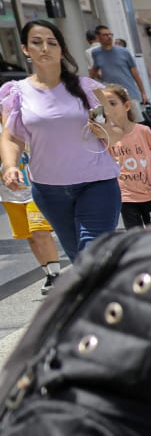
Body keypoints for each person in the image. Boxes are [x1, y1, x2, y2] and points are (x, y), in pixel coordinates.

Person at [0, 20, 122, 264]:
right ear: (25, 49)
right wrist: (11, 166)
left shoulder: (86, 88)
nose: (45, 48)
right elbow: (11, 135)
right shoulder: (16, 92)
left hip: (96, 183)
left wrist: (105, 130)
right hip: (49, 188)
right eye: (36, 42)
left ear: (61, 49)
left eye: (51, 42)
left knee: (92, 253)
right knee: (79, 258)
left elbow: (116, 132)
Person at [0, 104, 64, 295]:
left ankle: (56, 275)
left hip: (36, 189)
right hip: (10, 194)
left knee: (40, 232)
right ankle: (49, 274)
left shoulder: (30, 127)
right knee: (30, 237)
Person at [97, 85, 151, 229]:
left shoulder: (143, 131)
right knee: (135, 236)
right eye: (104, 105)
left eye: (112, 103)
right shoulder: (106, 137)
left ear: (126, 105)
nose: (108, 109)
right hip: (126, 198)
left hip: (150, 195)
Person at [87, 26, 148, 121]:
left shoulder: (124, 52)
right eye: (105, 35)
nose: (109, 37)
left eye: (110, 34)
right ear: (98, 37)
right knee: (116, 123)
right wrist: (88, 84)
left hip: (129, 93)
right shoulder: (96, 53)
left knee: (137, 123)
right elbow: (95, 68)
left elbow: (135, 74)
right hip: (110, 95)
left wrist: (143, 93)